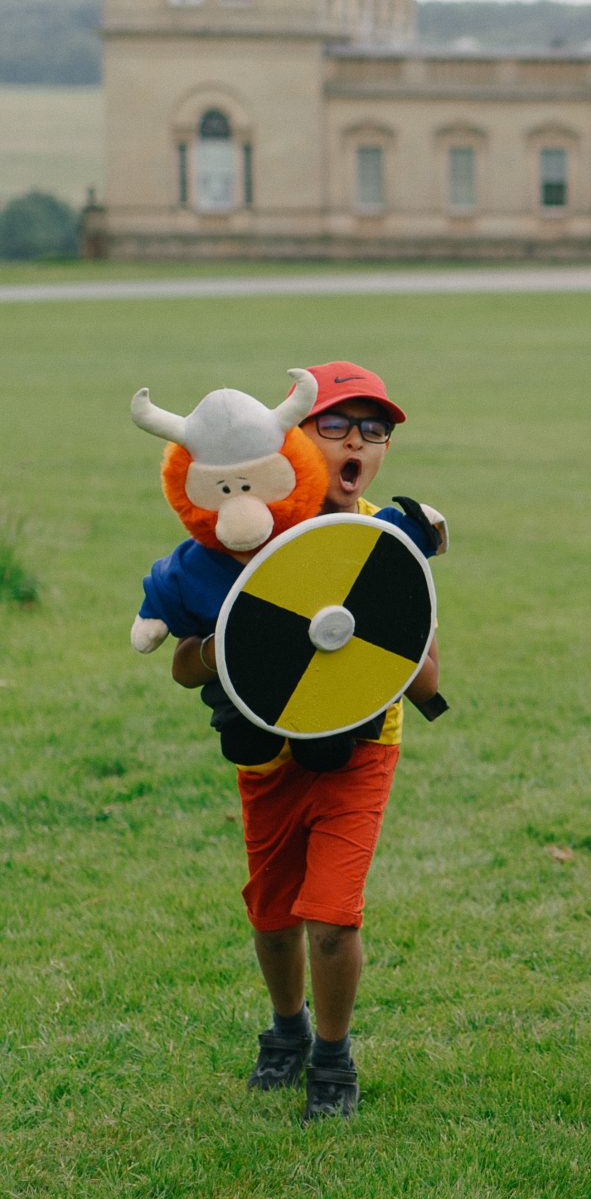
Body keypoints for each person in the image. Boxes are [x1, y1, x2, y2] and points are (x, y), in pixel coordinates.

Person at [160, 361, 447, 1121]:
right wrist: (222, 646)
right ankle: (284, 1030)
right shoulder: (238, 528)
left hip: (361, 748)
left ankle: (331, 1052)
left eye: (373, 429)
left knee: (332, 915)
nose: (357, 441)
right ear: (294, 438)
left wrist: (389, 628)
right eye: (336, 425)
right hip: (265, 753)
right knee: (273, 913)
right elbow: (186, 666)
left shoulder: (384, 536)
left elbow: (425, 683)